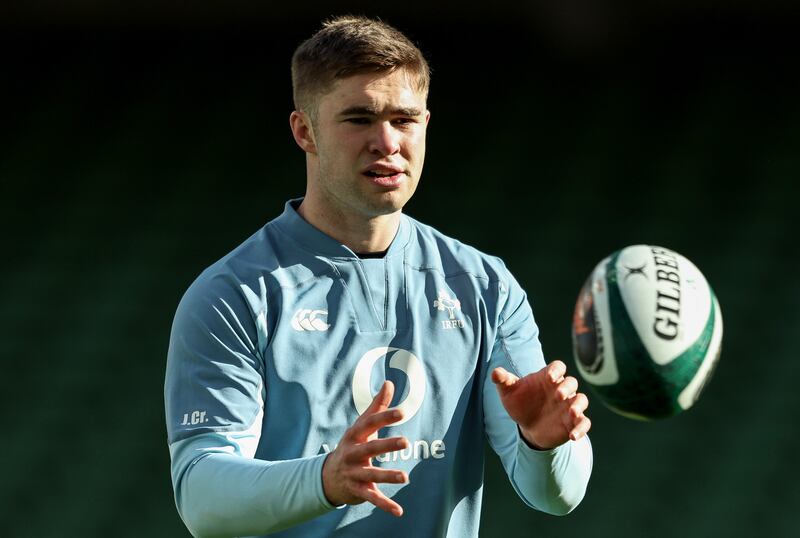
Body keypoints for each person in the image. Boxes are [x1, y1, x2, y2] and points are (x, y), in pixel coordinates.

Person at [165, 15, 593, 538]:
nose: (387, 141)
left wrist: (542, 443)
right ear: (305, 131)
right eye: (359, 119)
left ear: (426, 125)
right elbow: (201, 497)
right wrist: (323, 479)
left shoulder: (483, 285)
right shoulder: (234, 294)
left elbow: (557, 496)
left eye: (404, 119)